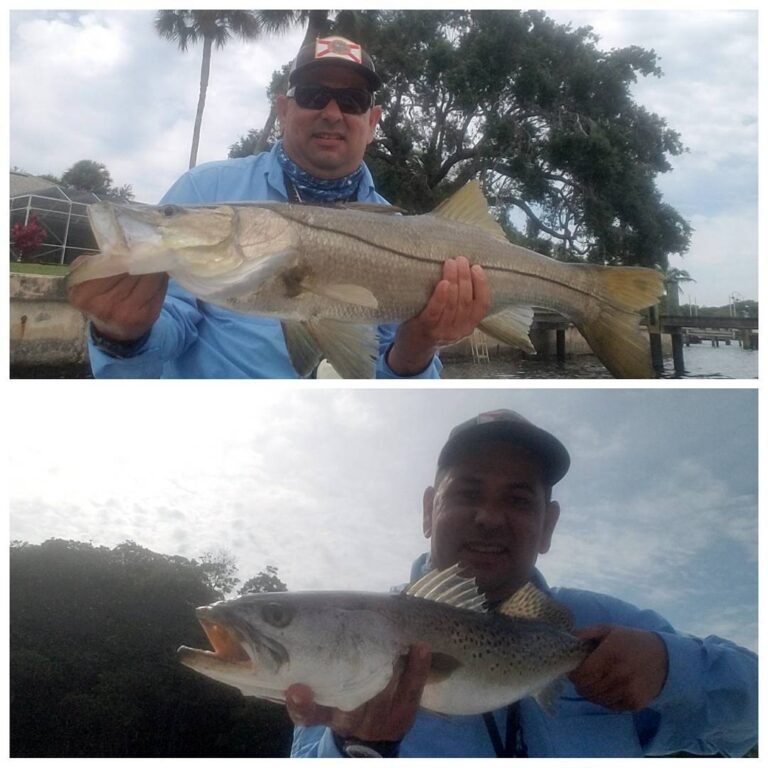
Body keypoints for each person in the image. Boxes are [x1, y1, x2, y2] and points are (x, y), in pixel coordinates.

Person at [288, 409, 758, 757]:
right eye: (467, 493)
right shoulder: (348, 641)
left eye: (518, 500)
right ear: (429, 510)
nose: (490, 517)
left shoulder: (611, 627)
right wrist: (355, 748)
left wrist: (671, 668)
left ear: (548, 525)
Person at [67, 35, 490, 378]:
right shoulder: (207, 187)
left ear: (373, 121)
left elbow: (385, 379)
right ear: (284, 109)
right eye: (313, 94)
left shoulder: (402, 226)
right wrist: (122, 336)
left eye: (352, 101)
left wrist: (417, 349)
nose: (331, 112)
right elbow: (160, 340)